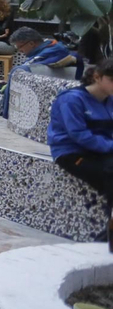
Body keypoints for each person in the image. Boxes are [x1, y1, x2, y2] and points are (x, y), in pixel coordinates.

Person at [48, 58, 113, 203]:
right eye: (112, 80)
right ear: (97, 77)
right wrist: (110, 146)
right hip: (71, 152)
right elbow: (79, 134)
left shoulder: (110, 100)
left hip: (101, 151)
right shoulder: (72, 99)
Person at [0, 27, 79, 114]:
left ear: (31, 43)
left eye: (20, 47)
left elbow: (27, 69)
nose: (20, 51)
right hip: (31, 87)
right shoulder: (48, 46)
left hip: (38, 94)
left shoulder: (48, 52)